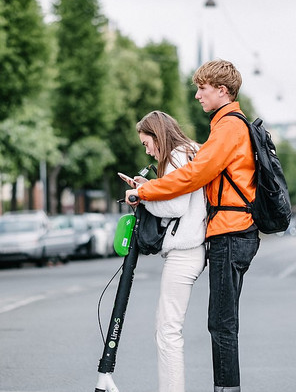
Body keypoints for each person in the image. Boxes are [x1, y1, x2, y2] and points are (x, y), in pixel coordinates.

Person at [126, 59, 259, 392]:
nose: (198, 96)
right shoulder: (222, 128)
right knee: (220, 323)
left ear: (222, 90)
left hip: (231, 230)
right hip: (229, 231)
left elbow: (191, 176)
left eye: (202, 89)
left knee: (222, 325)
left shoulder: (229, 126)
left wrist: (144, 191)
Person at [127, 111, 207, 392]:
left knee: (167, 332)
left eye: (147, 143)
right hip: (192, 249)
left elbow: (175, 207)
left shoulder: (176, 156)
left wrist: (144, 196)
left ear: (159, 136)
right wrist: (149, 190)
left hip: (184, 250)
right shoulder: (192, 151)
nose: (147, 150)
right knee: (168, 329)